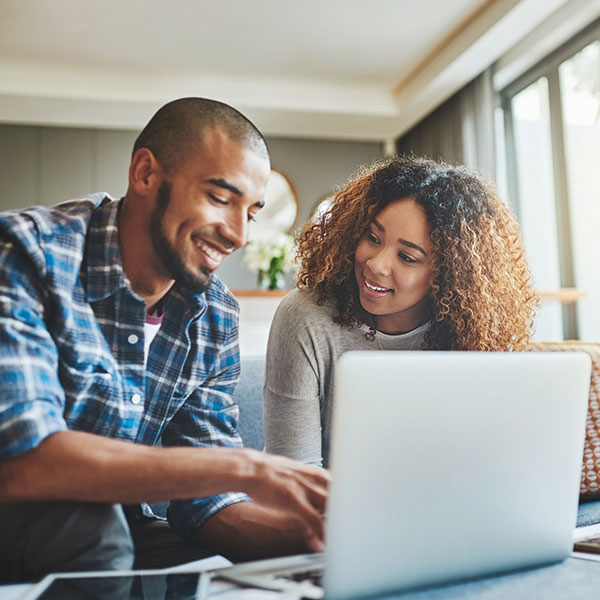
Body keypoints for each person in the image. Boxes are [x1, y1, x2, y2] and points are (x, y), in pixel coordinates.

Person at [0, 97, 329, 584]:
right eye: (220, 198)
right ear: (146, 173)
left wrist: (314, 538)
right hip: (19, 506)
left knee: (213, 575)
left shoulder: (214, 314)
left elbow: (206, 503)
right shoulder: (27, 252)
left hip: (117, 528)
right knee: (97, 530)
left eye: (252, 213)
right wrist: (245, 468)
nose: (238, 235)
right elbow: (26, 460)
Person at [264, 155, 538, 467]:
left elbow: (488, 461)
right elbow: (293, 475)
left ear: (447, 273)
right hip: (327, 508)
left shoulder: (475, 333)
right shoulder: (306, 317)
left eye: (407, 257)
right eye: (373, 237)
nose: (376, 264)